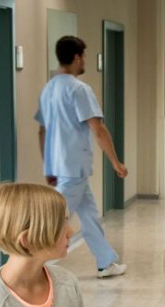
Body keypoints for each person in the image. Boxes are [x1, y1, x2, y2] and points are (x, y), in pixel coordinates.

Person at [35, 35, 128, 278]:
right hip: (73, 168)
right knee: (53, 219)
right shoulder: (79, 89)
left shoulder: (49, 88)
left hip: (62, 167)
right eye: (84, 56)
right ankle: (31, 265)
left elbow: (42, 131)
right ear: (77, 58)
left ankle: (106, 262)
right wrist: (115, 162)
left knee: (89, 217)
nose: (84, 60)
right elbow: (97, 129)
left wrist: (48, 167)